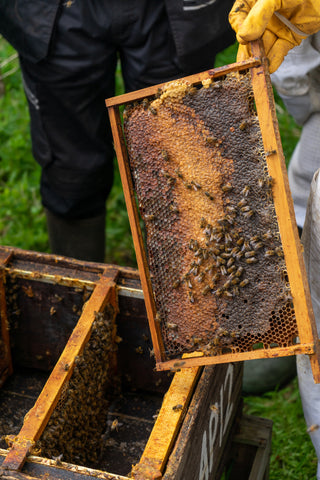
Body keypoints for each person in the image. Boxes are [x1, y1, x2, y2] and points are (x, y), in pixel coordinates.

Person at [0, 0, 235, 263]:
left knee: (180, 165)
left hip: (169, 12)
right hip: (54, 10)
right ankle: (80, 285)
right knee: (71, 171)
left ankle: (192, 282)